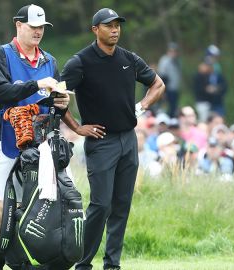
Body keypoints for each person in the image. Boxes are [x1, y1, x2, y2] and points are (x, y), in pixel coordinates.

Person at [61, 8, 165, 269]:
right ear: (95, 30)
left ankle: (112, 265)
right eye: (108, 25)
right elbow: (58, 95)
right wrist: (77, 127)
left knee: (121, 205)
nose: (115, 29)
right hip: (101, 142)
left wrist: (139, 107)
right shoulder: (80, 62)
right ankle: (82, 263)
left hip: (128, 140)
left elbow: (158, 84)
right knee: (100, 205)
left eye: (118, 25)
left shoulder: (128, 58)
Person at [0, 4, 70, 266]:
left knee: (42, 201)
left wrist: (62, 103)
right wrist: (36, 85)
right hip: (7, 137)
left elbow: (53, 102)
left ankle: (42, 258)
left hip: (41, 139)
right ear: (18, 25)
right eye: (33, 26)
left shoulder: (49, 60)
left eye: (42, 27)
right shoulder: (1, 55)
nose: (38, 32)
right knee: (4, 202)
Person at [158, 42, 181, 118]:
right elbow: (162, 76)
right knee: (168, 108)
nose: (174, 53)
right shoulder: (165, 61)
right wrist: (163, 91)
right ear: (168, 51)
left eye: (175, 51)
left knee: (174, 107)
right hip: (168, 89)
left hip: (174, 89)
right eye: (172, 51)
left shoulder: (176, 61)